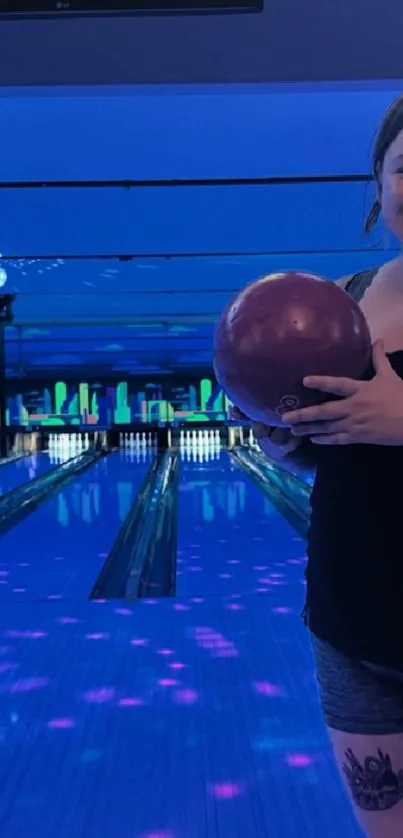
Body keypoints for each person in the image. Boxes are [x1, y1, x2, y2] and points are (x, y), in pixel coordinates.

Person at [234, 95, 403, 838]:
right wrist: (288, 440)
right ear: (378, 182)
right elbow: (339, 461)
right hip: (352, 625)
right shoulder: (343, 304)